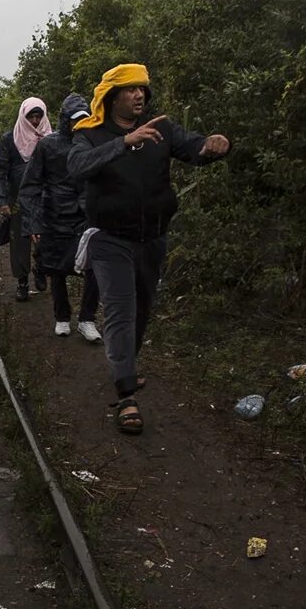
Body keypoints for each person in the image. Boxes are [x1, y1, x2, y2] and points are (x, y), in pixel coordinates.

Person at [67, 63, 231, 434]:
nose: (139, 95)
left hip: (153, 238)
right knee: (122, 310)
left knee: (141, 310)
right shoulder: (90, 135)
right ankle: (126, 395)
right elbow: (76, 167)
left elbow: (193, 147)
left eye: (142, 89)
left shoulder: (162, 129)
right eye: (130, 90)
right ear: (111, 97)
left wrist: (212, 145)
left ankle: (126, 365)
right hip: (110, 239)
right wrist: (123, 143)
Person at [18, 93, 101, 341]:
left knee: (94, 265)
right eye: (74, 120)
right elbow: (30, 185)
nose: (77, 125)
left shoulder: (94, 143)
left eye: (83, 119)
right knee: (57, 268)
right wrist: (33, 221)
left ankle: (87, 318)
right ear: (65, 119)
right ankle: (62, 316)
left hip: (88, 215)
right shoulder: (48, 145)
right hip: (54, 213)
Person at [0, 97, 52, 301]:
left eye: (38, 116)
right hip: (17, 199)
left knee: (46, 238)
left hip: (44, 198)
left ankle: (41, 268)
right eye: (31, 116)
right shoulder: (10, 140)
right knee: (19, 241)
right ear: (23, 116)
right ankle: (22, 281)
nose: (35, 121)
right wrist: (1, 200)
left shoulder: (50, 139)